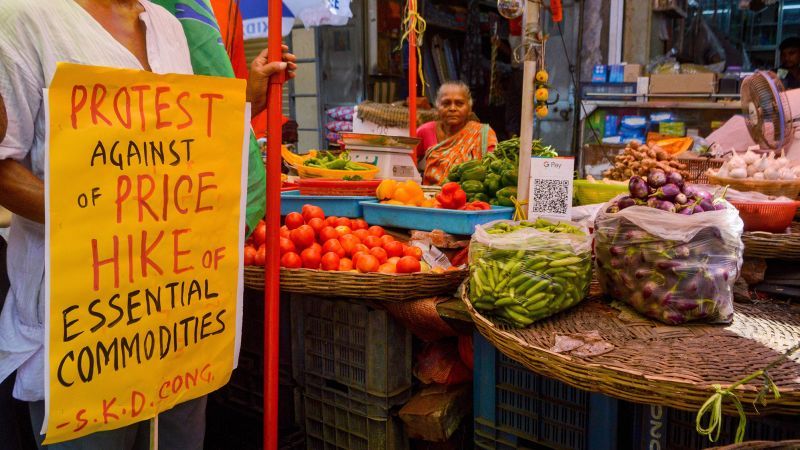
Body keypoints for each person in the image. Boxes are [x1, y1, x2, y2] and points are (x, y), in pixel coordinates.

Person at [0, 1, 294, 448]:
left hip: (179, 324)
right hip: (84, 338)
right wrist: (105, 216)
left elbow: (182, 142)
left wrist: (248, 96)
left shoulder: (169, 28)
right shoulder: (26, 19)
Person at [416, 81, 498, 185]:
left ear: (469, 108)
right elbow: (406, 162)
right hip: (431, 198)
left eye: (459, 103)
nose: (452, 108)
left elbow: (493, 171)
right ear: (437, 107)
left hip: (470, 197)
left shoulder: (483, 133)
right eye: (446, 103)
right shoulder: (425, 131)